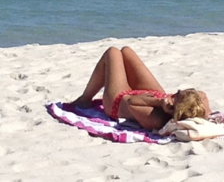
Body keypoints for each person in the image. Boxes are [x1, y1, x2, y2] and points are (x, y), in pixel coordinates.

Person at [71, 46, 211, 131]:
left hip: (119, 100)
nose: (178, 91)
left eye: (177, 96)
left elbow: (132, 102)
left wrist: (158, 103)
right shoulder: (199, 110)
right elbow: (202, 95)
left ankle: (85, 99)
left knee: (112, 52)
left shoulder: (155, 119)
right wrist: (183, 101)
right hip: (150, 95)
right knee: (126, 51)